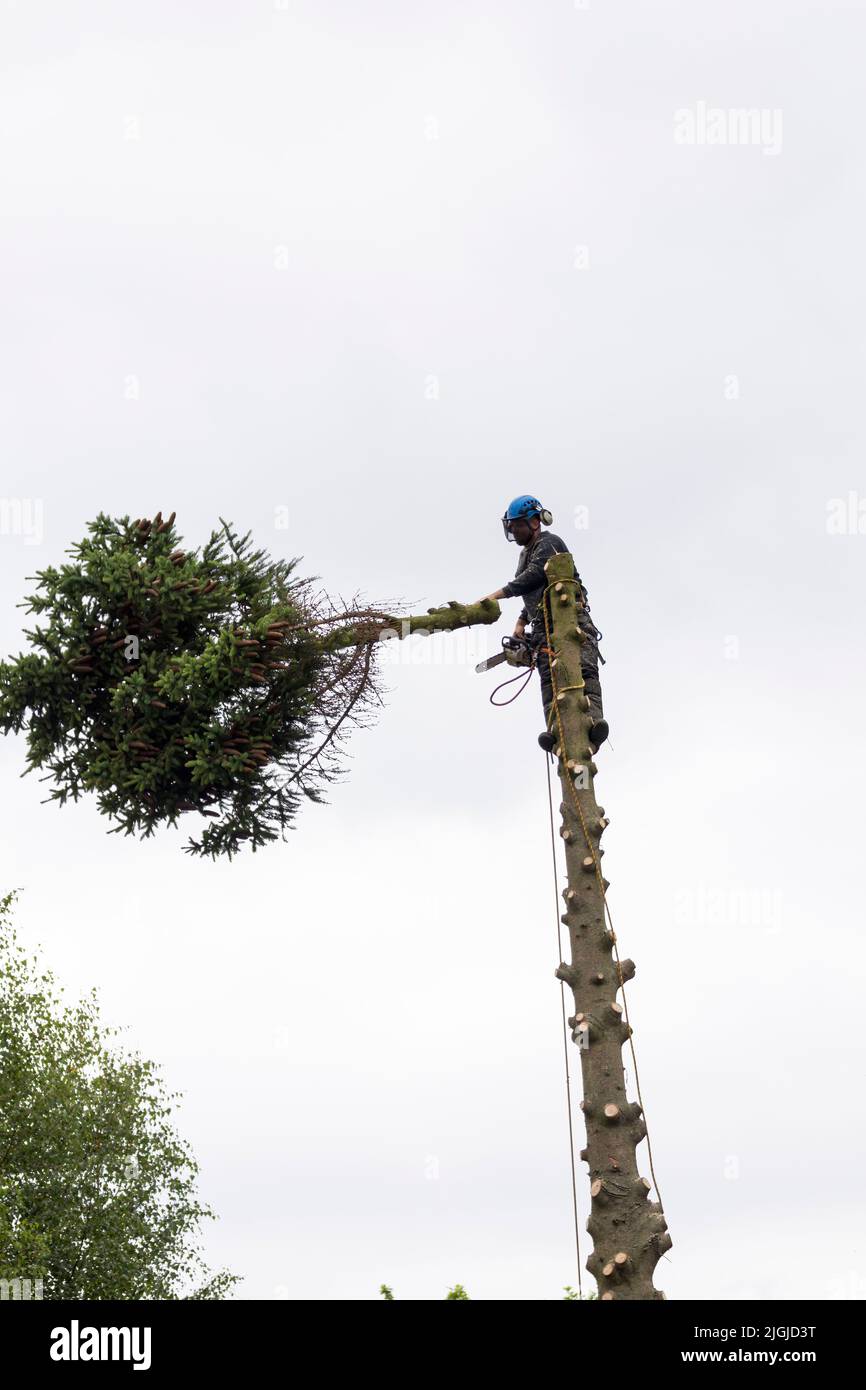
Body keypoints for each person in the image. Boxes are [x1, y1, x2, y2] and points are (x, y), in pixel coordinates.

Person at [477, 495, 608, 753]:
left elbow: (535, 576)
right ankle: (556, 734)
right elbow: (534, 594)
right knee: (549, 682)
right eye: (510, 527)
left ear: (534, 521)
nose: (513, 532)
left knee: (585, 671)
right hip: (543, 629)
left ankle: (593, 725)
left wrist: (494, 596)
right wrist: (520, 622)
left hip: (572, 623)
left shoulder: (550, 543)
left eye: (517, 526)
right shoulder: (525, 555)